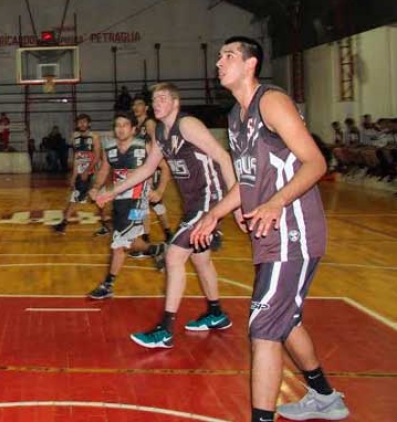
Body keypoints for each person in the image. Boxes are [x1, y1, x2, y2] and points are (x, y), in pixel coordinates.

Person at [190, 37, 349, 422]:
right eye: (219, 56)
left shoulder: (271, 102)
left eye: (228, 55)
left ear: (251, 64)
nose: (219, 62)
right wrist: (216, 214)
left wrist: (276, 201)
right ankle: (325, 397)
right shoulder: (234, 117)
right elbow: (246, 183)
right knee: (286, 320)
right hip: (268, 237)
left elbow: (315, 162)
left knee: (263, 330)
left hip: (293, 232)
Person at [95, 82, 235, 349]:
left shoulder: (187, 125)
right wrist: (112, 191)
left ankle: (165, 329)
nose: (156, 102)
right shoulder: (161, 132)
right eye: (154, 99)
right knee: (201, 260)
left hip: (209, 199)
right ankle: (216, 312)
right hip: (193, 203)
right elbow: (147, 168)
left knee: (173, 256)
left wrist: (235, 202)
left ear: (175, 103)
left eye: (162, 98)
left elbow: (222, 156)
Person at [87, 112, 167, 300]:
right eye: (117, 125)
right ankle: (156, 249)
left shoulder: (144, 147)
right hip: (119, 201)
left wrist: (160, 190)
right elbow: (105, 170)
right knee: (127, 242)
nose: (121, 128)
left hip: (139, 201)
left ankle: (108, 284)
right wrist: (96, 188)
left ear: (133, 129)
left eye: (125, 125)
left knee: (119, 243)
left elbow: (165, 167)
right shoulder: (111, 149)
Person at [130, 96, 174, 247]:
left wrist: (153, 165)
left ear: (146, 108)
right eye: (134, 105)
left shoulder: (148, 123)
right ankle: (168, 232)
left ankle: (145, 237)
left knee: (142, 202)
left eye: (139, 104)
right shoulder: (135, 125)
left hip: (150, 167)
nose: (136, 107)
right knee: (155, 203)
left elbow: (157, 143)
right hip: (142, 167)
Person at [52, 114, 105, 234]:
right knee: (75, 198)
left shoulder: (95, 137)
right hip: (81, 172)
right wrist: (74, 175)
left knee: (98, 200)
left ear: (89, 123)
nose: (82, 124)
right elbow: (77, 157)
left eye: (84, 122)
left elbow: (97, 156)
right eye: (79, 122)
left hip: (93, 173)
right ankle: (62, 225)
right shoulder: (75, 137)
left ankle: (105, 225)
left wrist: (88, 171)